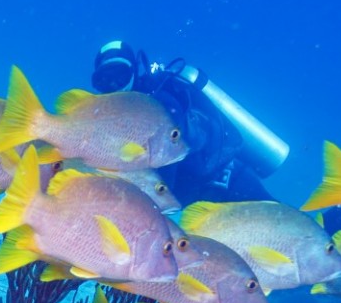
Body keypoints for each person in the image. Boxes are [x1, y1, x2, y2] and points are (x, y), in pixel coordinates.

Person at [90, 41, 288, 205]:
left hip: (225, 177)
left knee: (281, 225)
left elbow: (167, 161)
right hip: (197, 200)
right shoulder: (113, 120)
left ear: (134, 70)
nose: (114, 86)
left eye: (120, 75)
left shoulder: (161, 100)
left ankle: (320, 233)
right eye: (105, 81)